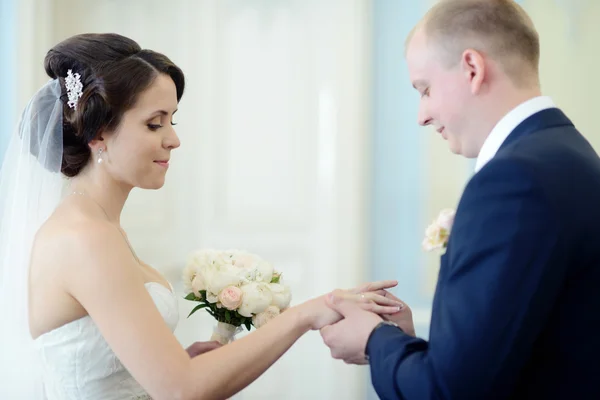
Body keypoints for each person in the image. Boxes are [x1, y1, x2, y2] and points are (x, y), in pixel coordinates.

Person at [0, 33, 402, 400]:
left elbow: (149, 379)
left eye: (171, 120)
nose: (173, 139)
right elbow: (182, 391)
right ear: (99, 133)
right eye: (154, 123)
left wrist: (186, 362)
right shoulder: (84, 237)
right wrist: (309, 313)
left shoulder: (99, 227)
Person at [319, 0, 600, 399]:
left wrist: (374, 340)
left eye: (425, 89)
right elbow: (507, 356)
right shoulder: (569, 153)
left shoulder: (514, 180)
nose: (422, 115)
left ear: (472, 68)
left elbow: (450, 391)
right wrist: (408, 343)